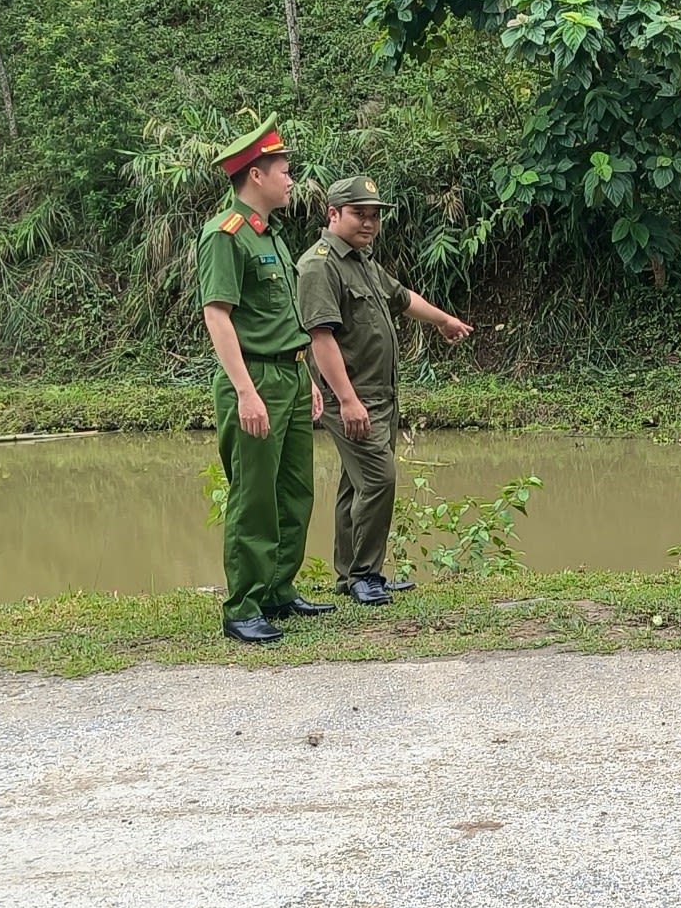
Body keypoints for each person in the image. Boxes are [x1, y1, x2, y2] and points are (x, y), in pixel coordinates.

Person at [296, 173, 474, 604]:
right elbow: (320, 337)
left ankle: (352, 575)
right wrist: (347, 400)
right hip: (352, 397)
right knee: (379, 479)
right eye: (359, 213)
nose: (368, 222)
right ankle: (364, 575)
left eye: (374, 215)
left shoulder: (361, 260)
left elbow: (402, 297)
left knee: (355, 484)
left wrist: (444, 320)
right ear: (333, 213)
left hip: (380, 397)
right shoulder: (320, 265)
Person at [197, 115, 329, 644]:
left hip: (291, 376)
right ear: (256, 175)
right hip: (254, 379)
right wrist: (246, 392)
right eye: (283, 170)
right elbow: (217, 315)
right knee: (254, 495)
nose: (291, 179)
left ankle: (278, 589)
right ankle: (243, 606)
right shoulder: (225, 236)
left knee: (294, 491)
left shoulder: (269, 235)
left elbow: (282, 317)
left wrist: (308, 376)